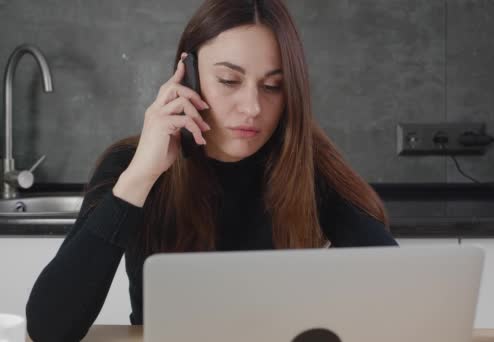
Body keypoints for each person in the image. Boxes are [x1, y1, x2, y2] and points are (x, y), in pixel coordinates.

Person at [25, 0, 398, 340]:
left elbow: (398, 287)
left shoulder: (308, 166)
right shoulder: (130, 166)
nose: (251, 107)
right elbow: (48, 330)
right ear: (187, 74)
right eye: (229, 81)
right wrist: (140, 178)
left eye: (272, 86)